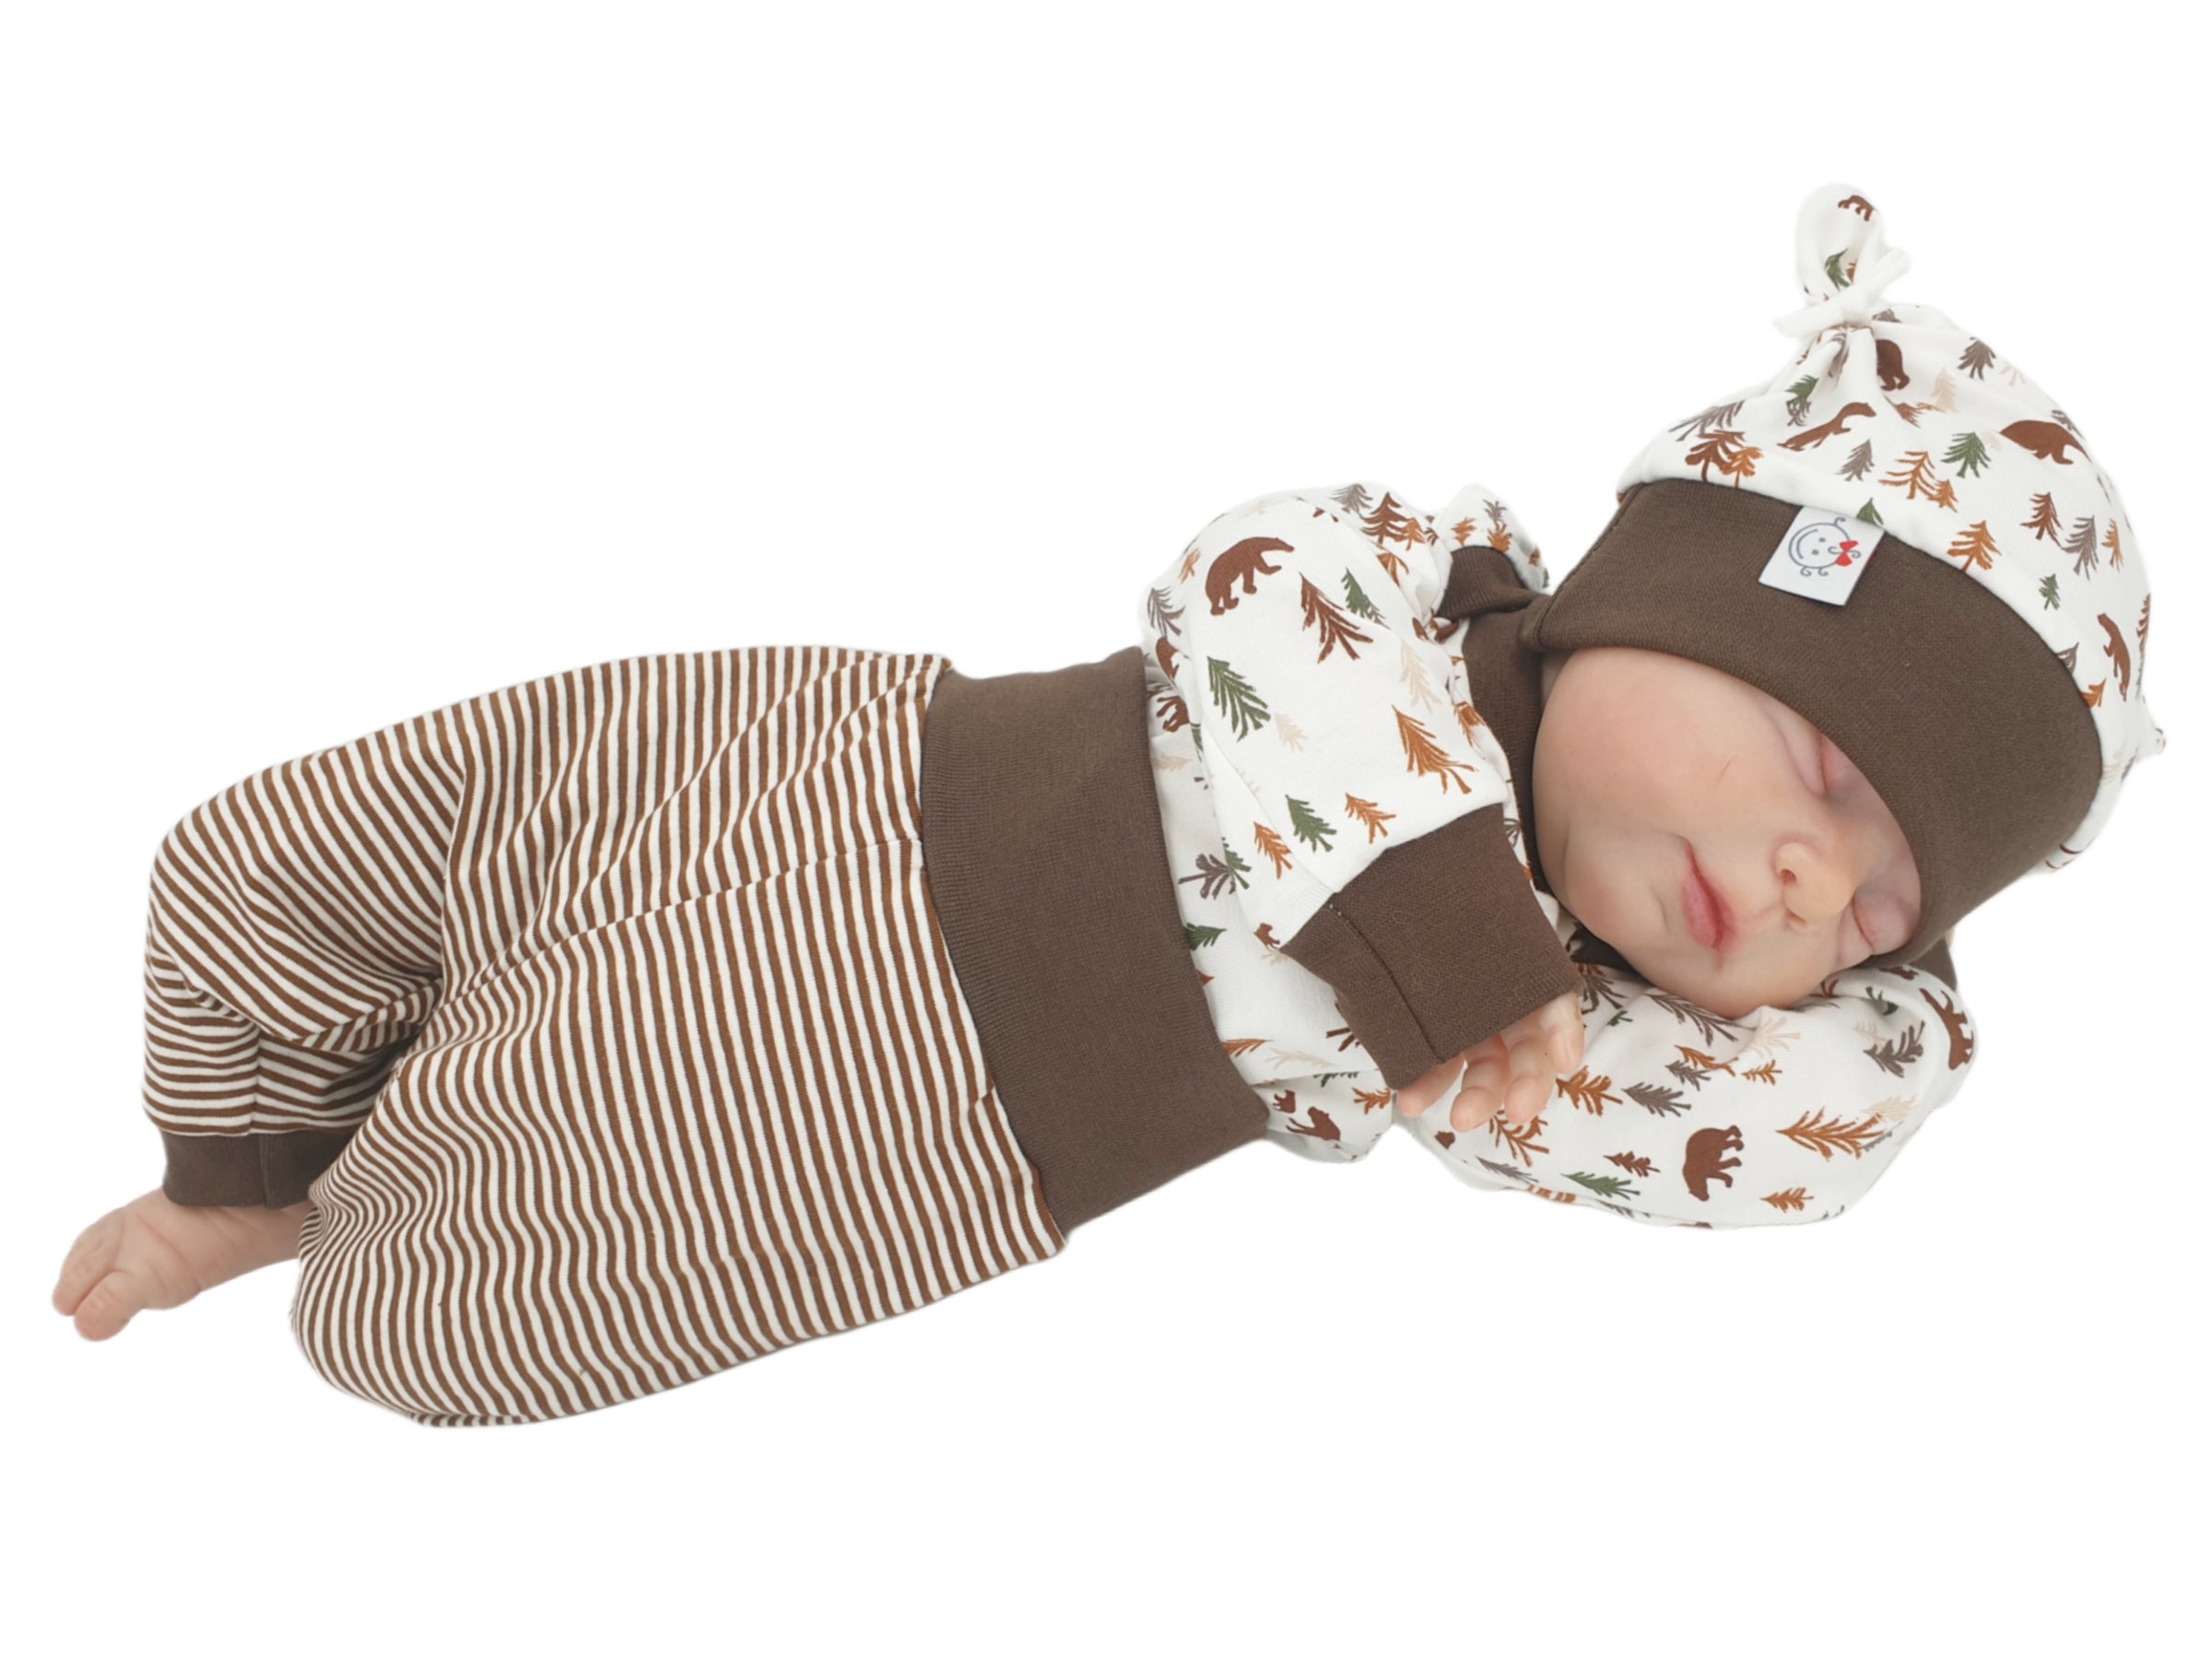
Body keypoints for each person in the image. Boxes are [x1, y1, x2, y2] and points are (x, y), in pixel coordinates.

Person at [50, 182, 2164, 1424]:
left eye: (1873, 907)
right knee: (272, 865)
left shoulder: (1575, 1056)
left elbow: (1804, 1157)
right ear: (1653, 587)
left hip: (901, 1149)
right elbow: (1255, 587)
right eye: (1824, 763)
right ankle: (238, 1158)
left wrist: (1899, 1012)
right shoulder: (1419, 585)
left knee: (426, 1335)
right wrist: (1451, 936)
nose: (1805, 873)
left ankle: (303, 1228)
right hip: (806, 785)